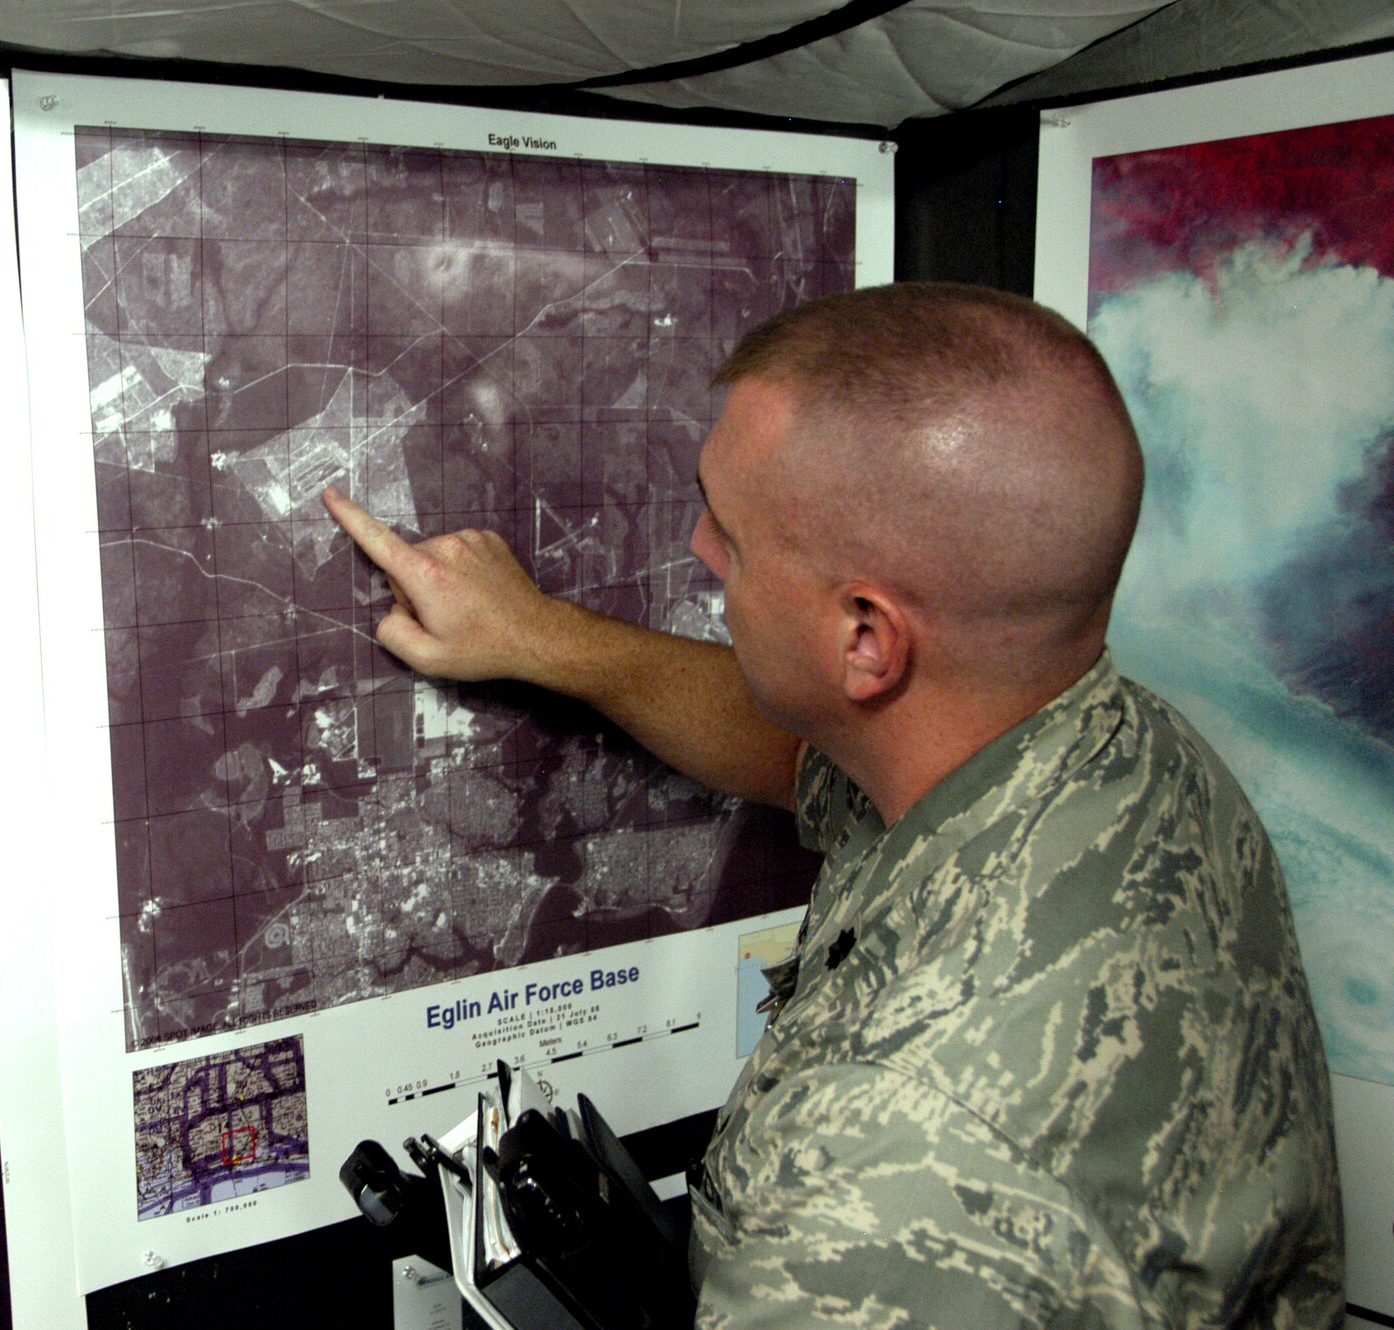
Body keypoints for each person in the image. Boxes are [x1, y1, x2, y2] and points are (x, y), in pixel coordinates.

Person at [323, 282, 1343, 1328]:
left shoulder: (888, 1173)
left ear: (866, 636)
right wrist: (535, 636)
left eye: (733, 534)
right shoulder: (1121, 751)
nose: (697, 548)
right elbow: (798, 742)